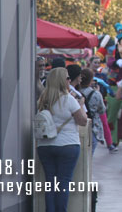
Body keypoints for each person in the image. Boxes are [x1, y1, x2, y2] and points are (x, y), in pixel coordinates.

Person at [36, 68, 87, 212]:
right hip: (68, 144)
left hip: (44, 145)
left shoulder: (42, 100)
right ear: (61, 81)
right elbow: (82, 121)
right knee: (63, 182)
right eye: (67, 78)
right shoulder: (69, 99)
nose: (69, 81)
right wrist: (81, 104)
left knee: (50, 183)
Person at [79, 68, 106, 155]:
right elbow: (102, 110)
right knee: (89, 156)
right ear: (91, 80)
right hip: (92, 127)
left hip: (77, 126)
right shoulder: (96, 94)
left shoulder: (75, 92)